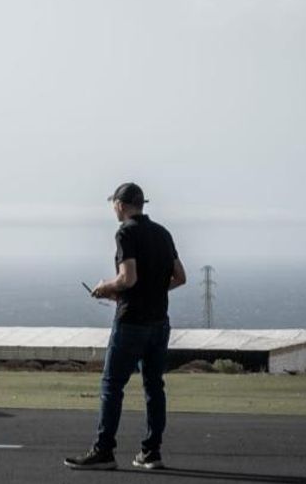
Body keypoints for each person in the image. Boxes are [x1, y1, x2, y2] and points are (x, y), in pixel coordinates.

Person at [65, 182, 187, 471]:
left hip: (132, 322)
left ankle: (104, 451)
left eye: (114, 204)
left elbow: (127, 278)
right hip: (160, 322)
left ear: (120, 205)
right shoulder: (163, 233)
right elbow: (180, 277)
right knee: (154, 387)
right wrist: (149, 292)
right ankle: (151, 452)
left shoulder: (125, 233)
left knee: (112, 385)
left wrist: (104, 287)